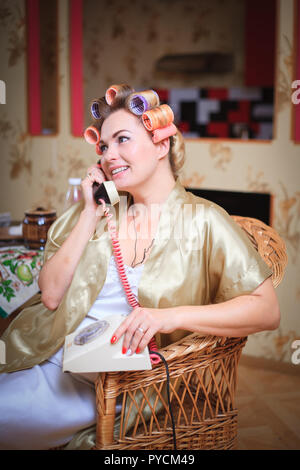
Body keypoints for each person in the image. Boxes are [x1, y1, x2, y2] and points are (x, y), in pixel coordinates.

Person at [0, 85, 280, 450]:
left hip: (115, 388)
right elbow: (51, 295)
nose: (108, 155)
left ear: (161, 145)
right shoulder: (99, 213)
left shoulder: (204, 220)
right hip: (48, 355)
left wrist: (168, 318)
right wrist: (89, 213)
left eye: (122, 140)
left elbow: (267, 310)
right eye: (103, 146)